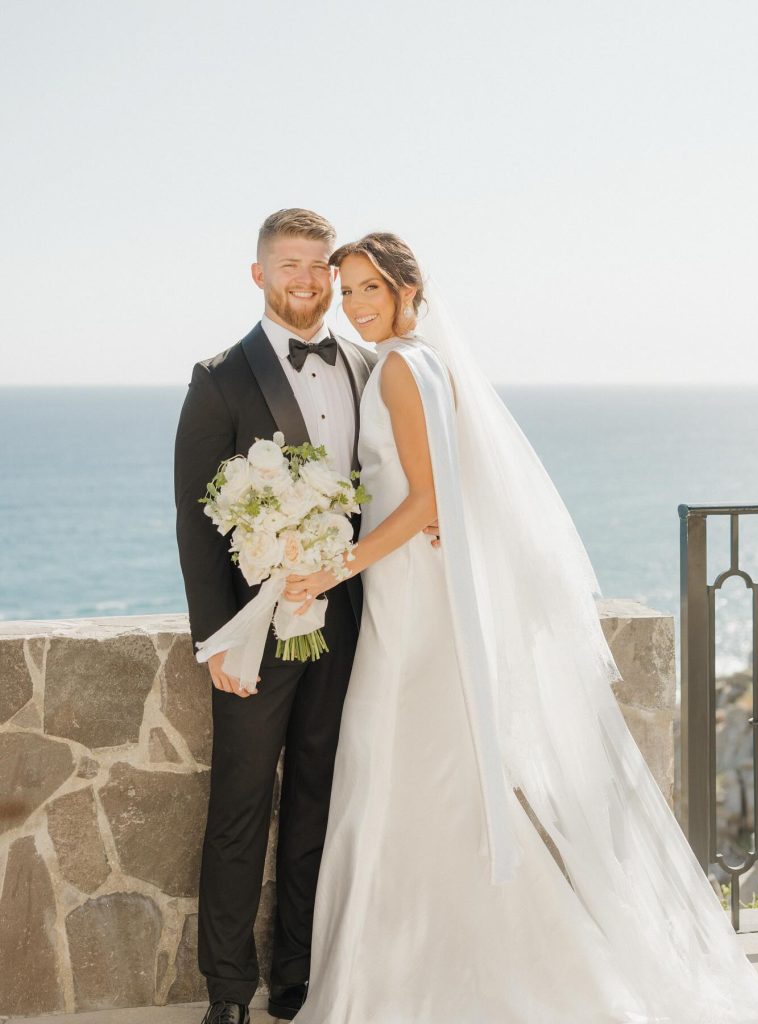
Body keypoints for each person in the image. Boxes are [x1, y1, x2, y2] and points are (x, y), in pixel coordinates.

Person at [282, 232, 758, 1023]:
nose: (358, 305)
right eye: (348, 289)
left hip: (409, 599)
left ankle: (406, 976)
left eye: (369, 288)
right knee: (427, 765)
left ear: (406, 289)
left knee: (395, 760)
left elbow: (427, 500)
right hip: (418, 589)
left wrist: (335, 565)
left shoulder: (400, 367)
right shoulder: (427, 362)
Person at [175, 210, 440, 1024]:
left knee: (319, 799)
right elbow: (194, 518)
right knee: (240, 807)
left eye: (319, 265)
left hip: (353, 618)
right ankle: (229, 992)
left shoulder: (373, 366)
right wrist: (218, 638)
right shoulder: (218, 375)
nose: (308, 278)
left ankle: (297, 977)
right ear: (259, 274)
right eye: (290, 264)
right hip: (256, 630)